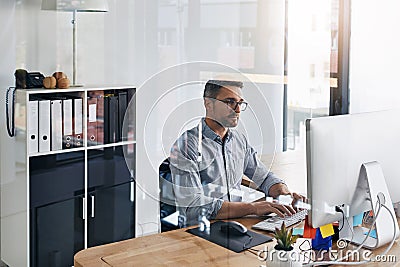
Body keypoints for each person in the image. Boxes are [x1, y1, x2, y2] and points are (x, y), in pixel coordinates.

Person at [169, 79, 303, 226]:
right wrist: (253, 208)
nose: (237, 110)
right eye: (229, 102)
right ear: (208, 104)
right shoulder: (187, 145)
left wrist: (284, 195)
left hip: (236, 224)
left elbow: (264, 178)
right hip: (201, 230)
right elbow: (193, 206)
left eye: (240, 103)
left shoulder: (238, 140)